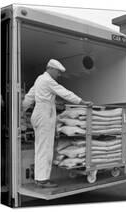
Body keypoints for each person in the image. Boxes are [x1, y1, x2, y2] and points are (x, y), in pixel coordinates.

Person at [22, 59, 93, 188]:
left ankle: (39, 178)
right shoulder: (48, 80)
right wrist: (82, 102)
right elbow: (64, 92)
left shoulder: (39, 79)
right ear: (52, 69)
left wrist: (21, 109)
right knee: (46, 148)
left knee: (40, 147)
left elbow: (29, 97)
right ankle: (43, 180)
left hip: (38, 114)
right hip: (44, 115)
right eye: (58, 72)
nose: (58, 75)